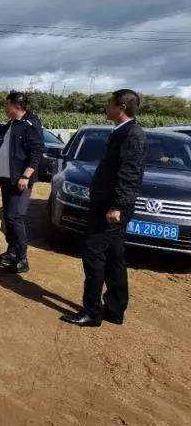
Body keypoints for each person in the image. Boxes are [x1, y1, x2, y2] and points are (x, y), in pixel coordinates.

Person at [61, 89, 146, 327]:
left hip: (110, 208)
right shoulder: (123, 131)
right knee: (114, 256)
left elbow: (129, 174)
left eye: (109, 104)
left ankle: (92, 312)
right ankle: (115, 309)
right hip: (107, 205)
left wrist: (118, 206)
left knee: (93, 253)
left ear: (121, 107)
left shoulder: (131, 134)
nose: (106, 107)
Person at [0, 92, 45, 273]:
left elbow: (37, 151)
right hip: (7, 178)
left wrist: (26, 175)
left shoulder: (31, 123)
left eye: (6, 105)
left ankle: (22, 258)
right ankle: (11, 252)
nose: (5, 108)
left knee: (15, 216)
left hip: (19, 179)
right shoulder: (13, 123)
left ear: (16, 106)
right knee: (7, 216)